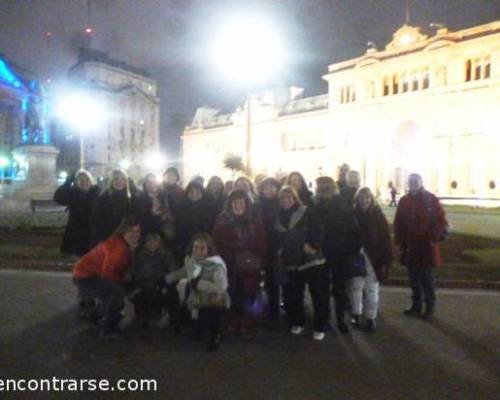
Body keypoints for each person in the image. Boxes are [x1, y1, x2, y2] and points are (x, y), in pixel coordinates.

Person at [271, 186, 328, 341]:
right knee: (294, 294)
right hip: (290, 261)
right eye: (282, 198)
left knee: (317, 294)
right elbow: (276, 238)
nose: (286, 200)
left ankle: (320, 326)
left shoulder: (307, 211)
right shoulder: (278, 218)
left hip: (311, 259)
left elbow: (319, 230)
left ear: (295, 198)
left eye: (289, 197)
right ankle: (298, 321)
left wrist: (313, 244)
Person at [73, 216, 141, 337]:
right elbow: (107, 273)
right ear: (123, 231)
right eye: (131, 231)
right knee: (117, 293)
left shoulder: (125, 244)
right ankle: (108, 329)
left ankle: (94, 316)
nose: (135, 234)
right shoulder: (118, 247)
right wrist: (123, 282)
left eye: (137, 231)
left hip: (91, 273)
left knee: (115, 294)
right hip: (85, 276)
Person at [394, 173, 448, 319]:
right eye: (410, 181)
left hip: (426, 246)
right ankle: (416, 305)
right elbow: (398, 221)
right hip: (410, 246)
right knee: (413, 279)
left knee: (427, 279)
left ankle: (429, 307)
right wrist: (399, 239)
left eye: (415, 181)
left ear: (421, 182)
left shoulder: (430, 199)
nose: (413, 184)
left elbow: (441, 220)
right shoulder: (404, 200)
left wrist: (434, 236)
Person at [212, 190, 267, 332]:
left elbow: (262, 241)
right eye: (235, 203)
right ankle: (233, 319)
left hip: (250, 264)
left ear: (246, 204)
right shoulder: (222, 220)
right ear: (230, 204)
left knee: (249, 293)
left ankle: (248, 320)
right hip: (229, 263)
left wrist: (258, 257)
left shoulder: (254, 219)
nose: (238, 206)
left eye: (241, 202)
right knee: (232, 292)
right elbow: (216, 242)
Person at [165, 233, 230, 351]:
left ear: (208, 249)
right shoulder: (192, 261)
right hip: (197, 299)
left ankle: (215, 335)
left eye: (202, 248)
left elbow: (222, 287)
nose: (198, 251)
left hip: (213, 301)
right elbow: (182, 272)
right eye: (196, 247)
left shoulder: (216, 265)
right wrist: (166, 279)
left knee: (213, 313)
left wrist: (200, 284)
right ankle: (199, 328)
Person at [314, 176, 356, 334]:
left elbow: (352, 229)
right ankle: (325, 318)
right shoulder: (315, 206)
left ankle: (340, 319)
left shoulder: (341, 205)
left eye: (327, 187)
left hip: (339, 252)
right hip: (322, 252)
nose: (325, 190)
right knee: (322, 288)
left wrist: (350, 249)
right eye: (322, 187)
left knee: (339, 289)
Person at [349, 187, 392, 332]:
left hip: (374, 257)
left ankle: (370, 317)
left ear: (371, 199)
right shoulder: (352, 214)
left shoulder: (377, 215)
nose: (364, 200)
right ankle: (356, 314)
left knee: (372, 289)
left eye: (367, 197)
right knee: (355, 287)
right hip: (356, 256)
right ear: (357, 199)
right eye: (361, 197)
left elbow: (385, 238)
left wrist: (386, 259)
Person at [130, 233, 178, 330]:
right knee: (141, 294)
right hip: (144, 283)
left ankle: (172, 322)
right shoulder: (139, 255)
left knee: (170, 294)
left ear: (159, 242)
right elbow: (134, 272)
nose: (152, 243)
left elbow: (173, 272)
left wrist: (165, 285)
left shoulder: (166, 254)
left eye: (155, 241)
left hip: (161, 282)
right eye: (149, 241)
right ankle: (143, 320)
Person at [54, 169, 99, 257]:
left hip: (93, 232)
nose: (84, 182)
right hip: (76, 232)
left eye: (87, 180)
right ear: (76, 182)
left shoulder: (97, 193)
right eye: (81, 180)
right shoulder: (73, 193)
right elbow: (58, 198)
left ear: (91, 181)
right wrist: (68, 182)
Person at [91, 169, 138, 246]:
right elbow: (96, 221)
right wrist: (99, 240)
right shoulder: (103, 198)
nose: (119, 182)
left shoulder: (130, 198)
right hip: (108, 238)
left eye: (123, 179)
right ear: (111, 181)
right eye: (116, 179)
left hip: (126, 238)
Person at [257, 177, 282, 320]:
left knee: (274, 280)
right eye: (266, 187)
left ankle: (274, 310)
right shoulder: (257, 205)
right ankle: (265, 307)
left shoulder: (280, 204)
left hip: (276, 247)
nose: (269, 190)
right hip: (261, 246)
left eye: (272, 187)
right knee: (265, 280)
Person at [175, 181, 214, 258]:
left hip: (203, 243)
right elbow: (178, 225)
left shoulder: (208, 206)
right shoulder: (182, 206)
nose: (194, 194)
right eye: (191, 192)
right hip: (185, 242)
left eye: (197, 192)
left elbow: (209, 225)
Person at [136, 173, 175, 244]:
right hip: (149, 233)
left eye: (154, 181)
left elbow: (174, 211)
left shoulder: (166, 196)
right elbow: (139, 217)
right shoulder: (140, 199)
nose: (152, 184)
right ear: (145, 184)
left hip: (166, 232)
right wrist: (152, 214)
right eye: (149, 182)